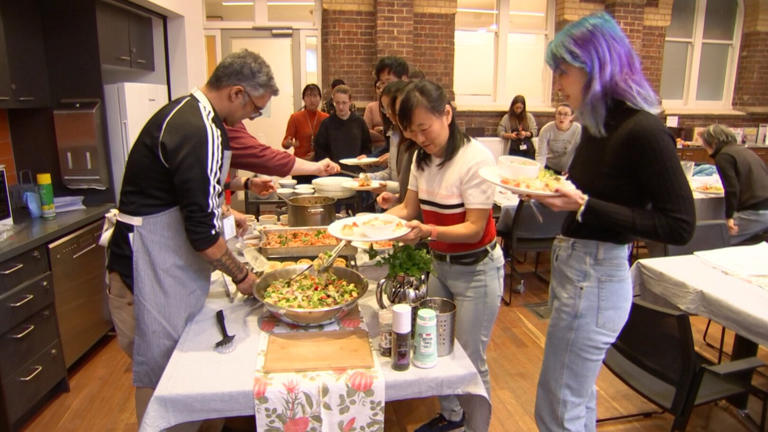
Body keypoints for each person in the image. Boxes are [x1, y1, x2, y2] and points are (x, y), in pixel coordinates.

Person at [531, 13, 695, 432]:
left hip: (597, 278)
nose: (559, 83)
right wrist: (564, 196)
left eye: (563, 71)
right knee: (575, 399)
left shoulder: (643, 130)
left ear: (595, 65)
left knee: (558, 408)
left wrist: (584, 203)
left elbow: (679, 225)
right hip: (579, 272)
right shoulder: (600, 126)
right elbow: (599, 194)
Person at [105, 49, 279, 423]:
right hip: (145, 271)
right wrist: (244, 277)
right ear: (236, 93)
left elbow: (194, 181)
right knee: (165, 380)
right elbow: (202, 235)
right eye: (255, 108)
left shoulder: (197, 118)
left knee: (184, 373)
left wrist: (244, 181)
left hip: (167, 268)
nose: (253, 116)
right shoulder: (198, 127)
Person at [387, 80, 503, 432]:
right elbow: (408, 208)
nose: (421, 139)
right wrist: (371, 224)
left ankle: (476, 428)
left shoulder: (476, 159)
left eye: (425, 128)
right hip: (441, 266)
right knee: (435, 347)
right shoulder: (422, 159)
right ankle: (452, 417)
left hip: (477, 271)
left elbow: (473, 227)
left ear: (447, 114)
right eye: (412, 132)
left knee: (469, 358)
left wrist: (428, 231)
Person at [698, 124, 768, 244]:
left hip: (755, 211)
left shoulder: (724, 156)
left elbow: (731, 188)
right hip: (763, 208)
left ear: (713, 143)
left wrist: (729, 216)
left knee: (713, 240)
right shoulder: (745, 151)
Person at [373, 80, 418, 209]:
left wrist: (387, 187)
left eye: (390, 109)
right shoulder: (394, 134)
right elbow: (395, 174)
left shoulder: (415, 142)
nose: (387, 113)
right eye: (384, 108)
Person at [314, 84, 372, 174]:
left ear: (350, 101)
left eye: (344, 103)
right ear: (333, 102)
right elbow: (320, 150)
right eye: (337, 103)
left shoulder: (359, 122)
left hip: (355, 173)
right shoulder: (326, 124)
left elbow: (367, 147)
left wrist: (365, 156)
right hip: (333, 174)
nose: (340, 107)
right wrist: (328, 164)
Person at [281, 84, 329, 161]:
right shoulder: (295, 117)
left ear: (320, 98)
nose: (312, 100)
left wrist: (316, 153)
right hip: (300, 161)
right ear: (303, 99)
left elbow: (329, 144)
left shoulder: (326, 118)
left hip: (320, 162)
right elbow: (284, 144)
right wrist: (288, 143)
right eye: (308, 96)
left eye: (315, 96)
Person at [536, 103, 582, 174]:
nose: (561, 117)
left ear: (572, 116)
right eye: (559, 114)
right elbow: (541, 154)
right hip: (549, 168)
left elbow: (580, 152)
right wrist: (540, 171)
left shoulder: (578, 129)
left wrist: (573, 169)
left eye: (566, 114)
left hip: (569, 170)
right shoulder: (546, 130)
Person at [498, 94, 537, 159]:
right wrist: (510, 135)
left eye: (520, 108)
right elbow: (500, 131)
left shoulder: (529, 117)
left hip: (527, 148)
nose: (518, 110)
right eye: (516, 108)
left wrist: (526, 134)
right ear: (513, 106)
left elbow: (534, 131)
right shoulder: (507, 118)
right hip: (513, 148)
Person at [364, 79, 387, 151]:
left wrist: (382, 130)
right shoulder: (371, 107)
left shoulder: (393, 106)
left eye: (383, 87)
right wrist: (386, 135)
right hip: (375, 146)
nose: (381, 90)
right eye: (378, 88)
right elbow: (366, 131)